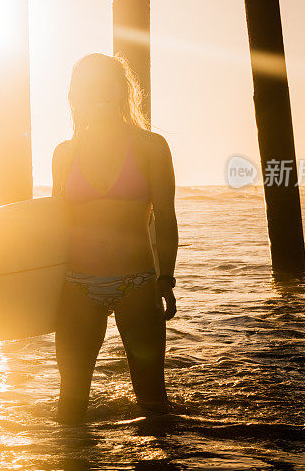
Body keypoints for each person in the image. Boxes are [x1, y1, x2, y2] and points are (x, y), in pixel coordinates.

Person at [52, 52, 179, 424]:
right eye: (89, 86)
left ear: (123, 91)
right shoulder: (64, 153)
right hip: (77, 285)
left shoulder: (151, 146)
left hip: (137, 282)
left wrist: (166, 278)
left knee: (152, 400)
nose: (99, 93)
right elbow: (56, 226)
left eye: (107, 83)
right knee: (69, 404)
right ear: (76, 97)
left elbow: (167, 219)